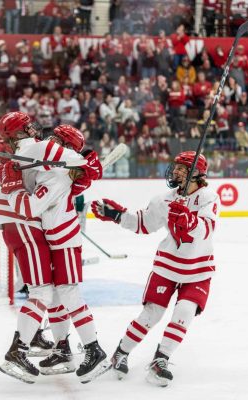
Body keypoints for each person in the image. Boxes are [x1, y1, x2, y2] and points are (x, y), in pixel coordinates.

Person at [91, 151, 220, 387]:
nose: (176, 171)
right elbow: (144, 224)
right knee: (152, 314)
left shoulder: (209, 198)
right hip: (168, 265)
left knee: (184, 313)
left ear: (197, 174)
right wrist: (117, 215)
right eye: (177, 166)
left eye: (182, 168)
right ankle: (121, 352)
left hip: (198, 269)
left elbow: (205, 230)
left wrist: (188, 220)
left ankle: (161, 360)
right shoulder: (164, 199)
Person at [1, 125, 109, 383]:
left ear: (63, 145)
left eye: (55, 139)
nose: (48, 139)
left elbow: (31, 206)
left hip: (65, 240)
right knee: (58, 295)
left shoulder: (57, 172)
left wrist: (11, 189)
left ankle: (94, 349)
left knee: (68, 292)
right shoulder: (56, 167)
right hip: (57, 239)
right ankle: (62, 349)